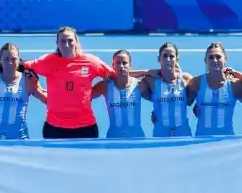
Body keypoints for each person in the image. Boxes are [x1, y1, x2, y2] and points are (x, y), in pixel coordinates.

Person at [11, 27, 148, 139]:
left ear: (76, 41)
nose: (66, 44)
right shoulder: (47, 61)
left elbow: (117, 74)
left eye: (70, 40)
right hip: (54, 128)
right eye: (62, 41)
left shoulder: (91, 62)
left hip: (85, 127)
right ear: (57, 44)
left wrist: (146, 72)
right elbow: (20, 66)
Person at [0, 43, 47, 140]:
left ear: (18, 61)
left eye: (13, 59)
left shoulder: (28, 80)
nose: (10, 63)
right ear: (0, 60)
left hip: (20, 139)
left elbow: (47, 99)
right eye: (6, 59)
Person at [139, 43, 193, 137]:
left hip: (183, 133)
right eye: (164, 56)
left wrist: (198, 108)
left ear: (177, 59)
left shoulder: (186, 79)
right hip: (160, 134)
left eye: (171, 56)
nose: (168, 59)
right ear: (159, 59)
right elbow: (120, 77)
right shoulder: (150, 80)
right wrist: (146, 71)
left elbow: (200, 96)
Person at [91, 50, 145, 139]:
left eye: (124, 63)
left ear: (130, 65)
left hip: (137, 138)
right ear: (113, 66)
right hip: (113, 139)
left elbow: (158, 98)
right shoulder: (104, 86)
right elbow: (84, 97)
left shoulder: (140, 85)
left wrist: (156, 114)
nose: (121, 66)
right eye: (118, 63)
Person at [187, 42, 238, 136]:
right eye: (211, 57)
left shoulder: (234, 85)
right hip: (201, 142)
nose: (215, 60)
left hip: (228, 143)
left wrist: (237, 73)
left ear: (225, 59)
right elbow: (179, 101)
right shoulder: (196, 83)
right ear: (205, 60)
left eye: (218, 57)